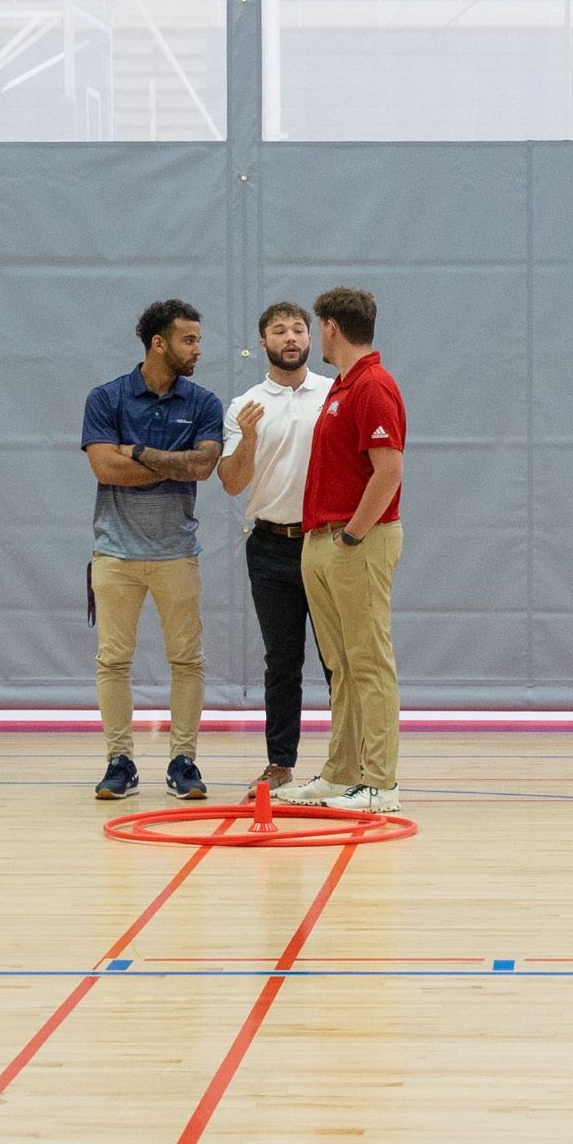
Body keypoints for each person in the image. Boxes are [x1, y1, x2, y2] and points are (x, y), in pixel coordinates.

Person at [80, 298, 228, 801]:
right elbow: (105, 469)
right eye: (189, 340)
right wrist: (175, 461)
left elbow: (204, 468)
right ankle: (119, 761)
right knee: (113, 661)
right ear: (158, 343)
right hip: (114, 555)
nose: (198, 350)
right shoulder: (106, 397)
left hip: (176, 553)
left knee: (187, 659)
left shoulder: (204, 403)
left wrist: (137, 450)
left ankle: (183, 762)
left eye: (199, 340)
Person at [216, 299, 334, 796]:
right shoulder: (243, 406)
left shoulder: (334, 395)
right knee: (282, 661)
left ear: (311, 340)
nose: (290, 338)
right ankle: (280, 764)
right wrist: (245, 438)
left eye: (299, 330)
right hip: (269, 546)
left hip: (327, 544)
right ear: (262, 343)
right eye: (279, 330)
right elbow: (231, 482)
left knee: (339, 660)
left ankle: (350, 764)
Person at [301, 285, 407, 815]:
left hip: (355, 540)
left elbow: (388, 473)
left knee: (368, 661)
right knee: (341, 664)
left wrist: (351, 536)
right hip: (323, 540)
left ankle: (381, 782)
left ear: (331, 328)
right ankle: (342, 773)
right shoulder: (342, 388)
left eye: (317, 325)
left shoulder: (373, 386)